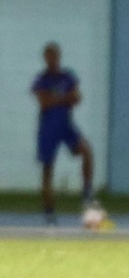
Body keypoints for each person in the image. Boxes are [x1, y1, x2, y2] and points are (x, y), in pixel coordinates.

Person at [32, 42, 97, 224]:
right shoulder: (42, 79)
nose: (52, 59)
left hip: (65, 124)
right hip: (48, 127)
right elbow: (43, 102)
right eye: (49, 56)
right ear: (45, 58)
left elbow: (77, 97)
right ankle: (49, 210)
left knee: (86, 151)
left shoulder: (67, 76)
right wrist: (63, 98)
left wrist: (57, 99)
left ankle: (86, 190)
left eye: (55, 56)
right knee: (48, 169)